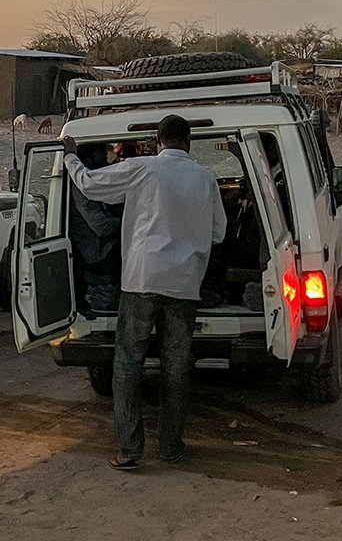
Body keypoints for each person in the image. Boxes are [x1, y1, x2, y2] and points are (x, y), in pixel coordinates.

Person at [63, 115, 227, 470]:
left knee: (128, 364)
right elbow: (218, 233)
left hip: (141, 280)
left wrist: (70, 157)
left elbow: (90, 185)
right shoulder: (206, 179)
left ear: (157, 139)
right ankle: (171, 446)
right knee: (176, 366)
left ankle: (129, 450)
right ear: (190, 142)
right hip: (184, 285)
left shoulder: (142, 169)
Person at [69, 144, 121, 312]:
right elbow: (102, 228)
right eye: (101, 152)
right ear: (90, 158)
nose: (107, 156)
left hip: (102, 247)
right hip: (97, 253)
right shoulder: (81, 189)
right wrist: (129, 220)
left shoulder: (94, 182)